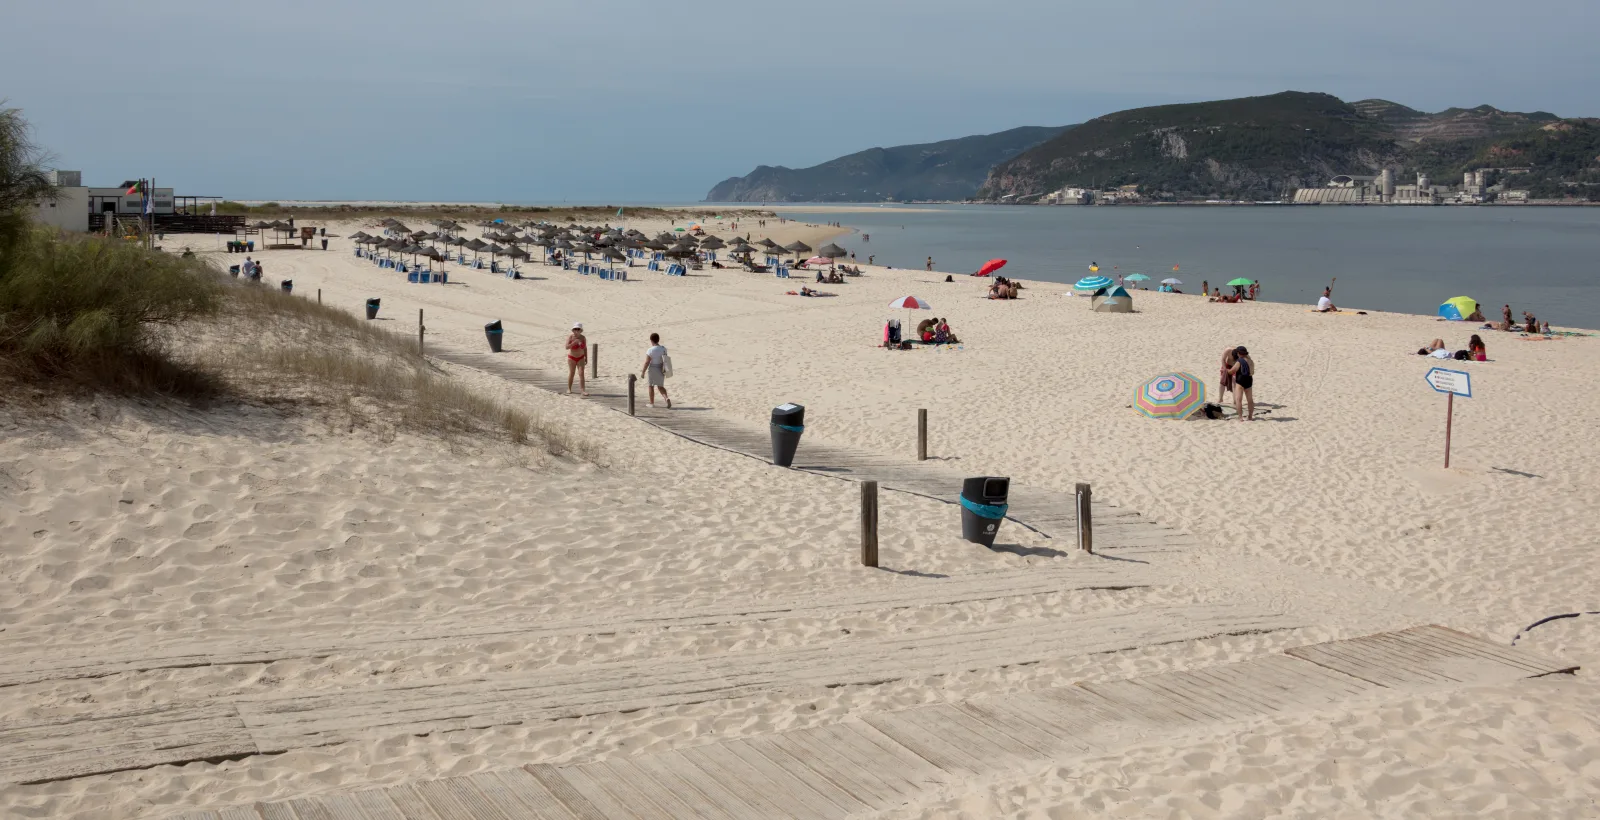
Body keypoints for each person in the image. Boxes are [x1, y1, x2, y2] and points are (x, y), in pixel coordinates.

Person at [640, 332, 671, 408]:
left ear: (651, 340)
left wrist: (643, 372)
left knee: (651, 386)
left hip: (653, 368)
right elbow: (665, 359)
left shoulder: (650, 350)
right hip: (661, 368)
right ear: (658, 340)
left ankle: (651, 403)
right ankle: (666, 398)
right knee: (660, 386)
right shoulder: (663, 349)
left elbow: (647, 362)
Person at [1228, 346, 1256, 421]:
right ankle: (1250, 416)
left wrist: (1227, 370)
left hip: (1240, 380)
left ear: (1239, 353)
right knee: (1250, 400)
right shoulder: (1250, 361)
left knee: (1238, 399)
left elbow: (1232, 371)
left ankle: (1240, 417)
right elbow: (1252, 371)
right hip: (1249, 380)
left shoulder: (1239, 361)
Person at [565, 323, 588, 396]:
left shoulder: (583, 338)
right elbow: (566, 347)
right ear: (573, 330)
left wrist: (586, 357)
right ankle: (569, 388)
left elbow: (585, 348)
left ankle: (583, 390)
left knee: (581, 373)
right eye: (575, 329)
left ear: (580, 330)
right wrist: (574, 343)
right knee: (572, 373)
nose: (576, 331)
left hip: (580, 357)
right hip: (572, 358)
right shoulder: (570, 337)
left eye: (578, 329)